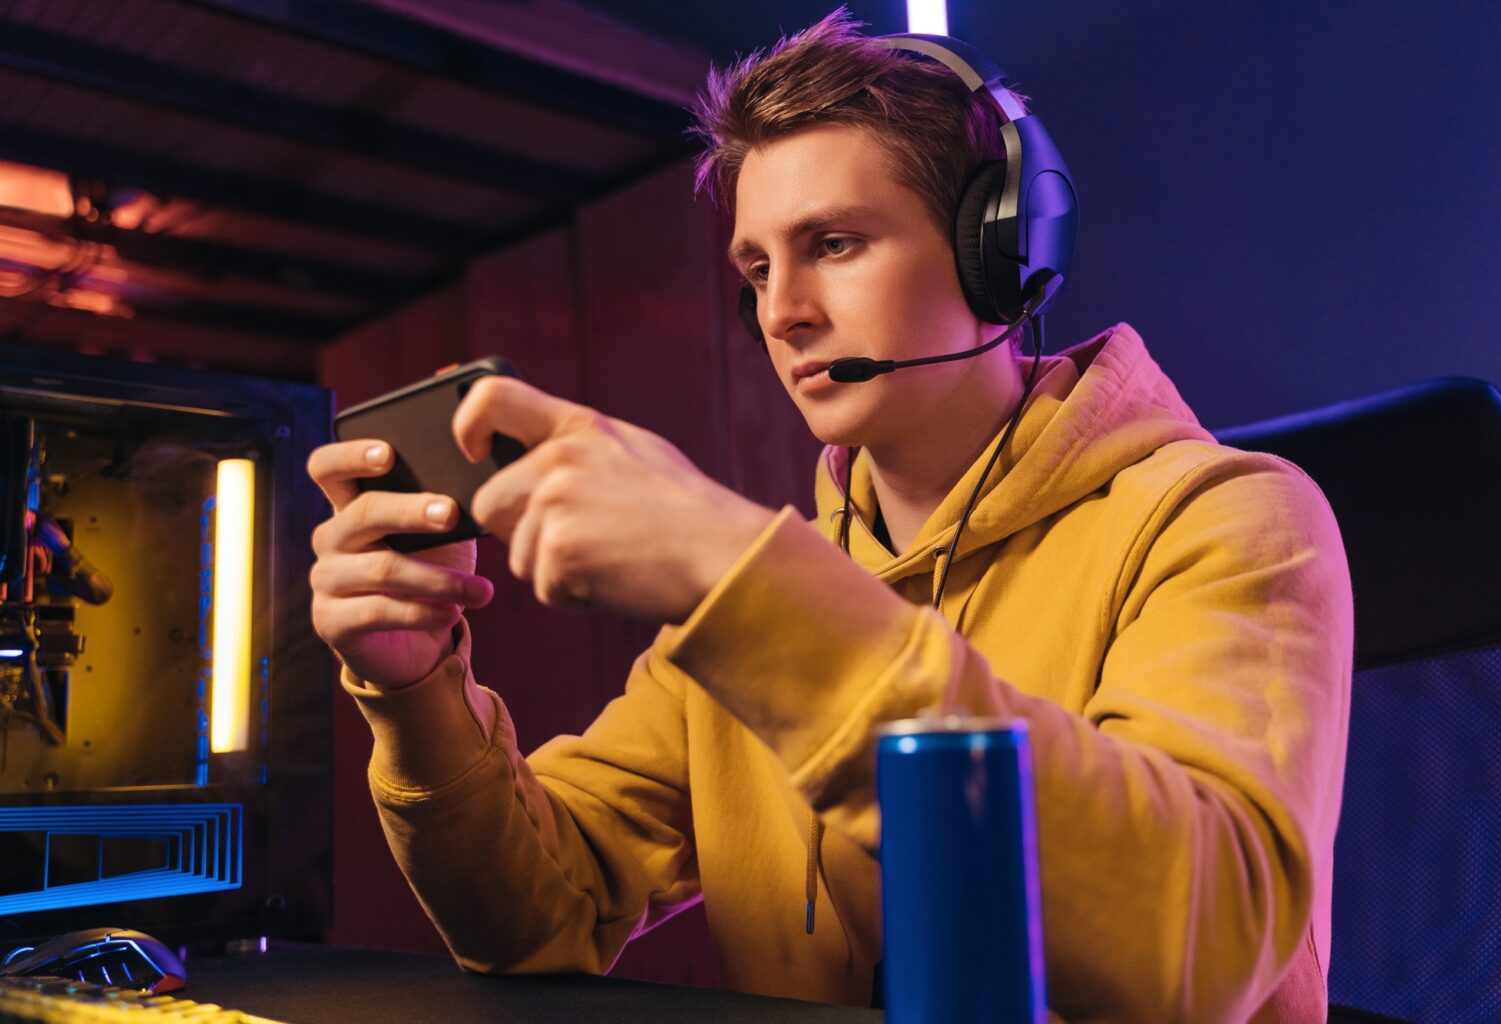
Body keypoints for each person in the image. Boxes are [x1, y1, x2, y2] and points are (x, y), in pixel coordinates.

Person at [306, 11, 1351, 1022]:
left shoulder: (1229, 520)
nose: (780, 311)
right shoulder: (747, 600)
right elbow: (537, 915)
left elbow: (1198, 944)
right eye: (757, 267)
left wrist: (737, 581)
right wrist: (417, 688)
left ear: (1003, 249)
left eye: (836, 243)